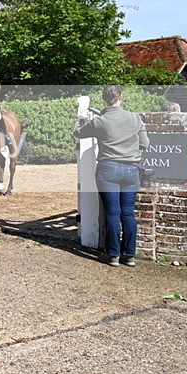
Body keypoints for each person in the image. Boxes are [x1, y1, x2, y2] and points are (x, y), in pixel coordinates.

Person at [73, 85, 150, 267]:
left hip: (108, 169)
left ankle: (113, 255)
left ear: (104, 99)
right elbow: (145, 144)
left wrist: (81, 118)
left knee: (113, 213)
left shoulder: (99, 121)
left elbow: (78, 133)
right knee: (128, 213)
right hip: (131, 169)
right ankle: (129, 255)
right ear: (121, 97)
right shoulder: (134, 118)